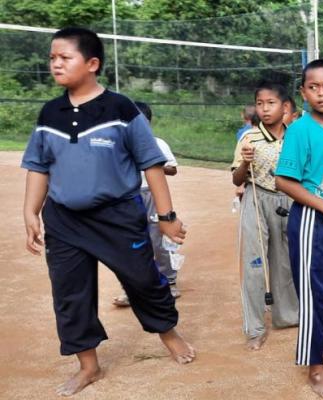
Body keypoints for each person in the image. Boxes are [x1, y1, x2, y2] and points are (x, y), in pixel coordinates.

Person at [21, 27, 195, 396]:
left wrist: (166, 218)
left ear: (92, 63)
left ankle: (168, 333)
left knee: (144, 280)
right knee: (70, 294)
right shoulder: (49, 112)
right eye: (52, 58)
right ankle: (88, 365)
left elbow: (152, 164)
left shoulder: (121, 109)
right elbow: (38, 165)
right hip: (64, 220)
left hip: (117, 217)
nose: (55, 64)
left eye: (64, 57)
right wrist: (30, 212)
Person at [275, 59, 323, 399]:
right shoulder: (299, 130)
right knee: (314, 293)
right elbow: (282, 180)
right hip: (310, 220)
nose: (321, 93)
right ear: (304, 92)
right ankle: (314, 367)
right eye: (313, 87)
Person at [231, 81, 299, 350]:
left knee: (285, 262)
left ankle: (287, 316)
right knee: (254, 263)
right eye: (260, 104)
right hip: (257, 199)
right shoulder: (248, 138)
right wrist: (246, 162)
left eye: (270, 103)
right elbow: (236, 178)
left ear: (285, 107)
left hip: (290, 201)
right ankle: (255, 328)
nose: (264, 109)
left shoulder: (295, 136)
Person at [112, 101, 183, 307]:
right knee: (130, 241)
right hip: (127, 196)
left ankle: (168, 281)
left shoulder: (157, 143)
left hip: (151, 195)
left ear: (147, 123)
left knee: (158, 238)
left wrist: (154, 163)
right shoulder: (119, 145)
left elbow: (172, 169)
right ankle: (130, 289)